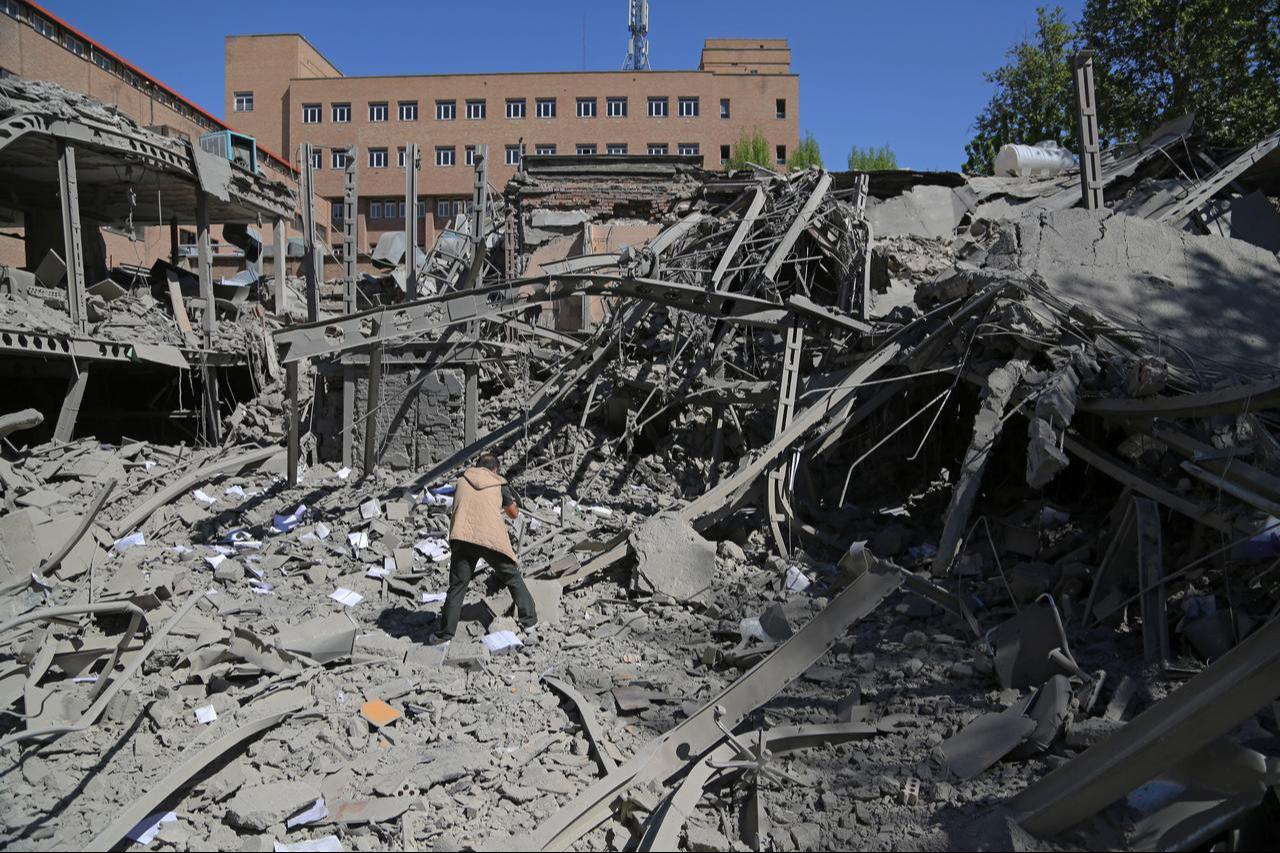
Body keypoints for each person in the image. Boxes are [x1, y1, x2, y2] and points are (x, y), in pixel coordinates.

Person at [428, 452, 537, 644]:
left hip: (463, 535)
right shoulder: (498, 482)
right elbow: (513, 514)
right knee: (511, 576)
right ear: (495, 469)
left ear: (477, 466)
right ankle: (529, 621)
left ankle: (445, 635)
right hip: (489, 537)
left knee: (457, 586)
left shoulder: (463, 480)